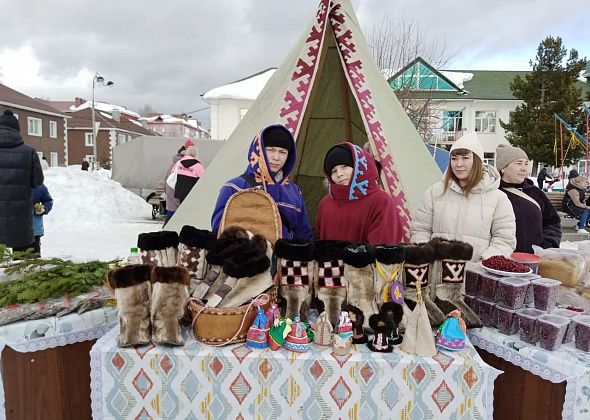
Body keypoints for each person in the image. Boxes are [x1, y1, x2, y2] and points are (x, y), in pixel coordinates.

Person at [410, 133, 516, 261]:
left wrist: (484, 262)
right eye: (454, 158)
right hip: (437, 273)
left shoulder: (498, 199)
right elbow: (420, 230)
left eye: (465, 158)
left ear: (477, 161)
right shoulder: (434, 192)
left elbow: (504, 240)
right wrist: (427, 256)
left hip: (477, 273)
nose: (458, 164)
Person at [211, 124, 313, 240]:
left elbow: (303, 234)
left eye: (282, 152)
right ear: (258, 150)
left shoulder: (294, 192)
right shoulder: (234, 187)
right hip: (244, 255)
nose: (276, 157)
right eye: (270, 150)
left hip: (282, 256)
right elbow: (219, 229)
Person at [315, 142, 404, 244]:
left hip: (368, 259)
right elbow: (319, 239)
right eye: (333, 171)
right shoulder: (326, 203)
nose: (339, 174)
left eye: (344, 166)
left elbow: (384, 248)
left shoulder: (381, 201)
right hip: (329, 260)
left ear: (359, 166)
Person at [496, 144, 561, 252]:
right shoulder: (493, 193)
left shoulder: (536, 194)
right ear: (503, 168)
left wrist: (547, 246)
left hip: (534, 261)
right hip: (502, 261)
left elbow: (552, 222)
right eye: (519, 163)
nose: (524, 168)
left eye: (526, 164)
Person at [0, 109, 44, 251]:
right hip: (20, 218)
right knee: (23, 265)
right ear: (17, 130)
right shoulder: (29, 152)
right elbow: (37, 181)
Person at [171, 139, 204, 204]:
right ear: (195, 153)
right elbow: (203, 178)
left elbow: (172, 172)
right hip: (191, 193)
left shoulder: (179, 162)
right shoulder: (198, 165)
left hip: (179, 191)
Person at [163, 143, 187, 224]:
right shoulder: (183, 164)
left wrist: (166, 191)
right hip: (177, 190)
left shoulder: (173, 163)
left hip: (170, 189)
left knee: (171, 212)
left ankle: (166, 228)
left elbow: (166, 177)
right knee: (176, 215)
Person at [32, 184, 53, 255]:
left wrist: (43, 209)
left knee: (33, 261)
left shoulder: (38, 186)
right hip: (16, 230)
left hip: (34, 229)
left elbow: (48, 201)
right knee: (17, 262)